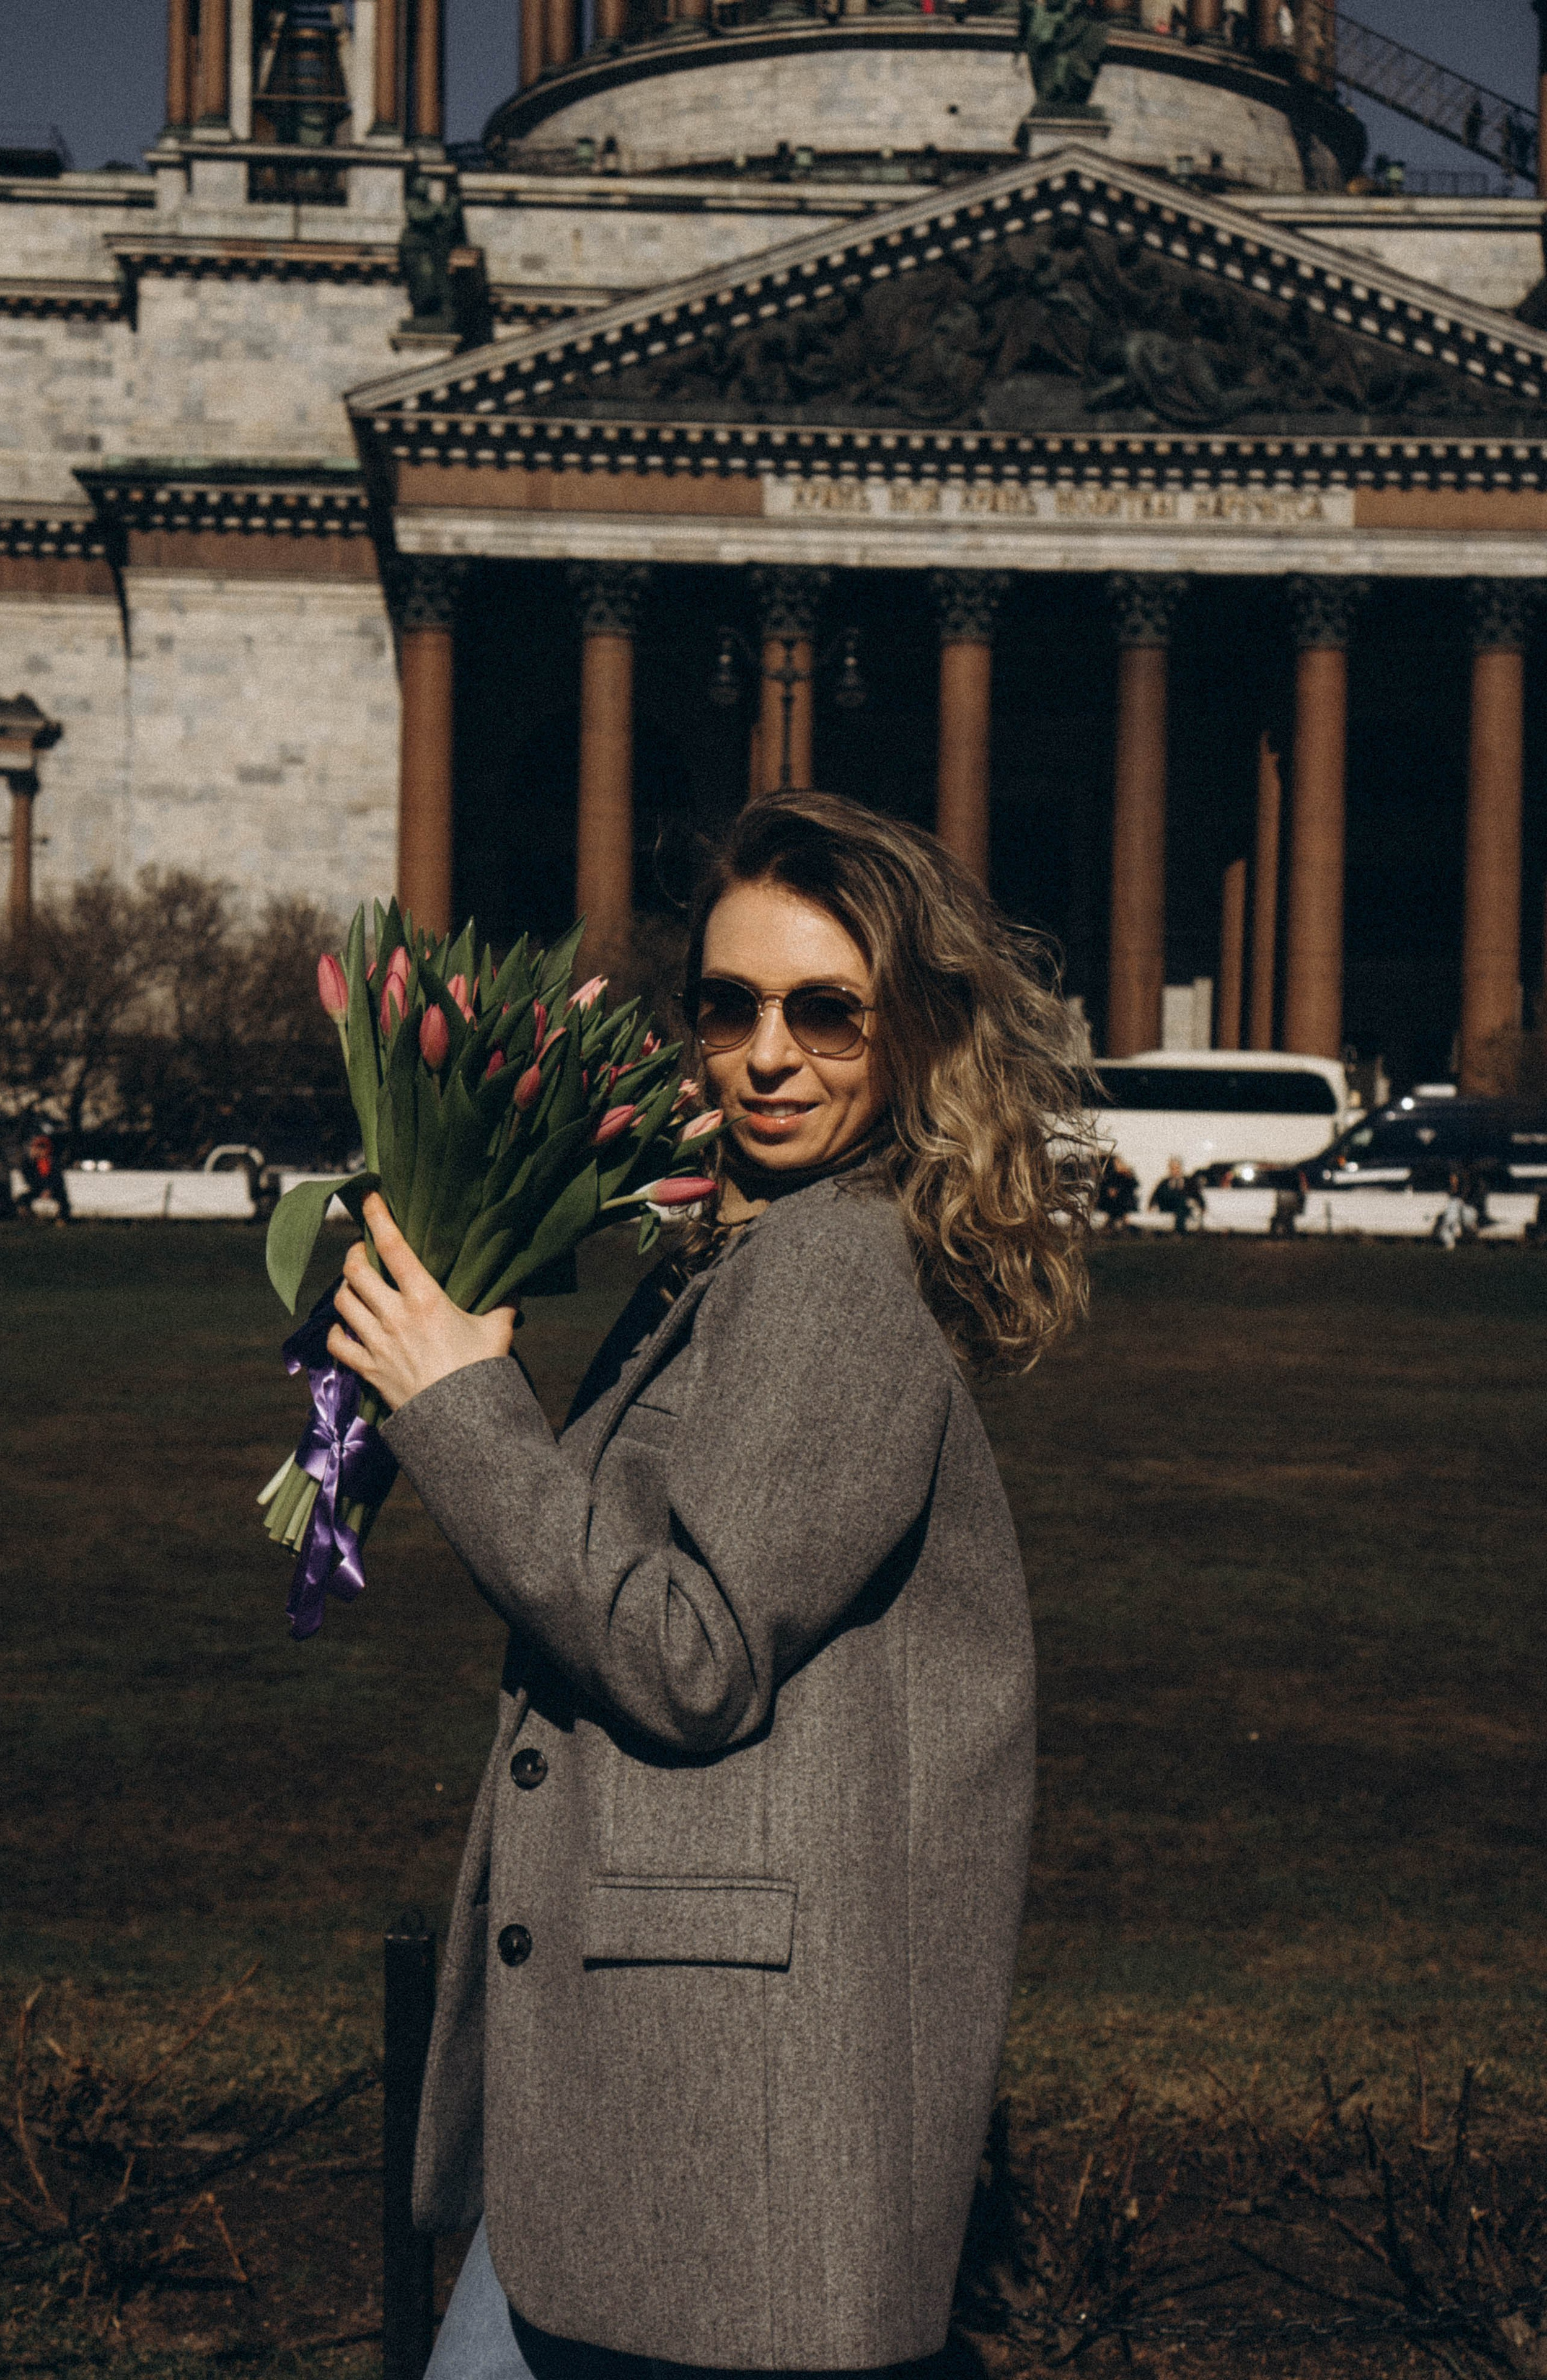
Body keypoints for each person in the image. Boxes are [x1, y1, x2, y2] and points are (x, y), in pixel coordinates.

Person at [325, 788, 1095, 2380]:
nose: (763, 1054)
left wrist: (456, 1401)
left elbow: (689, 1651)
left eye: (826, 1012)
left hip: (727, 2110)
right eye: (728, 1004)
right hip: (670, 2091)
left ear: (911, 1033)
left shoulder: (834, 1263)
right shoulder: (759, 1248)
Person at [1150, 1153, 1204, 1235]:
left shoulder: (1189, 1181)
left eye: (1177, 1168)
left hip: (1183, 1208)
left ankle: (1179, 1232)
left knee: (1182, 1206)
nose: (1175, 1170)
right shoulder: (1164, 1182)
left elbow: (1197, 1195)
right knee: (1180, 1201)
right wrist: (1151, 1206)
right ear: (1170, 1169)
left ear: (1181, 1168)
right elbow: (1156, 1195)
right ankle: (1180, 1232)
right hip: (1168, 1206)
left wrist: (1203, 1206)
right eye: (1173, 1168)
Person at [1096, 1148, 1139, 1230]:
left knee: (1121, 1200)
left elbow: (1134, 1186)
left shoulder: (1128, 1175)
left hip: (1125, 1202)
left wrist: (1128, 1176)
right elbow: (1105, 1187)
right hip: (1112, 1203)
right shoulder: (1111, 1176)